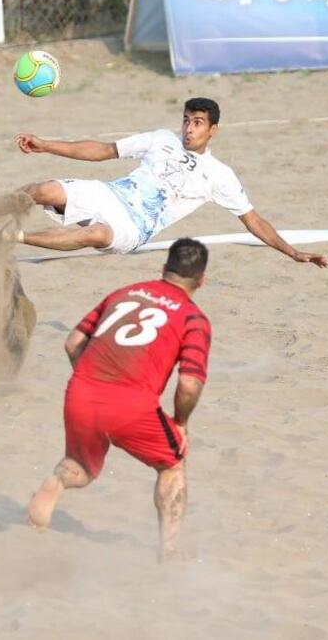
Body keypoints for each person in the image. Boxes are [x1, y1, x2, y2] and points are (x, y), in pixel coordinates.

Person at [0, 97, 327, 266]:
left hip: (134, 226)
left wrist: (292, 251)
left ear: (213, 130)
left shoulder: (220, 175)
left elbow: (254, 220)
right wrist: (46, 144)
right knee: (42, 189)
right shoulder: (161, 139)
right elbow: (103, 150)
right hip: (110, 194)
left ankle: (13, 237)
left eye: (197, 123)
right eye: (186, 120)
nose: (189, 128)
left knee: (96, 234)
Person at [28, 238, 212, 560]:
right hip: (132, 405)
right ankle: (169, 552)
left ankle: (56, 482)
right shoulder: (193, 318)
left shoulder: (123, 293)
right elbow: (189, 383)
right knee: (172, 464)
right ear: (201, 280)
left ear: (164, 268)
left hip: (81, 394)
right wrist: (181, 422)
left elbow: (73, 342)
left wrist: (91, 381)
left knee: (81, 466)